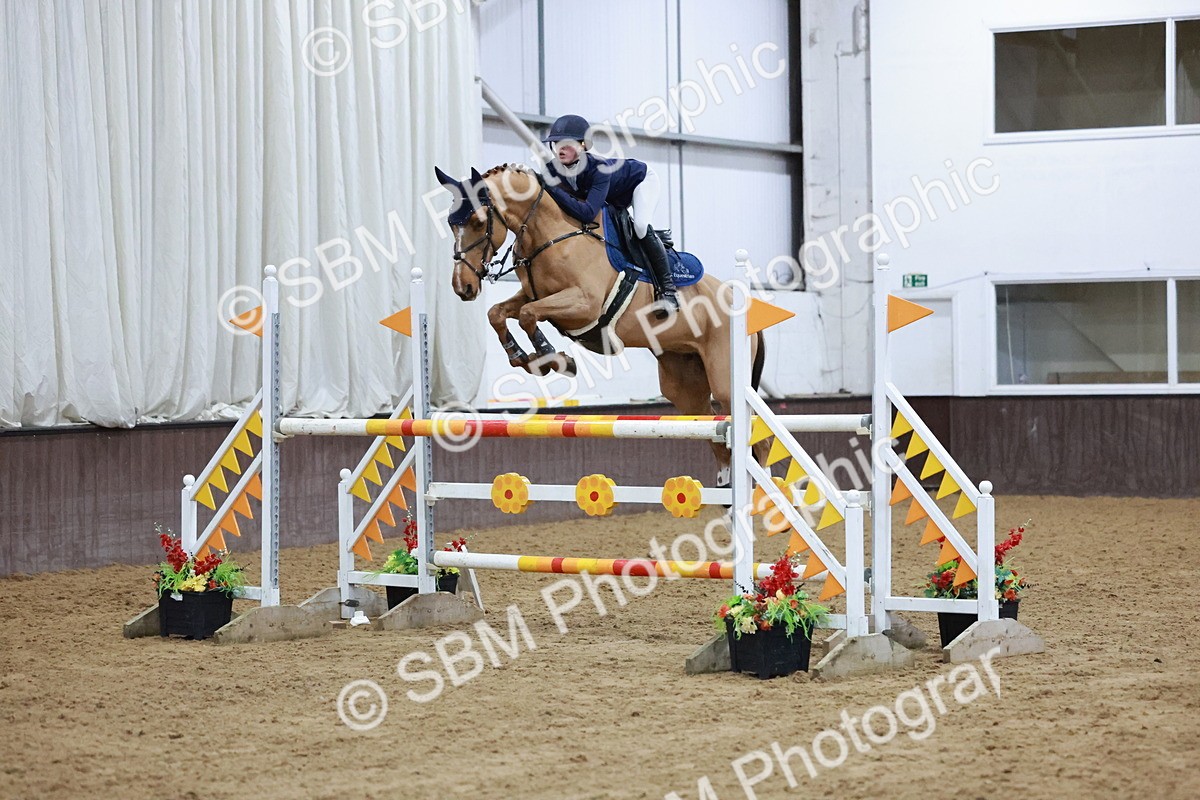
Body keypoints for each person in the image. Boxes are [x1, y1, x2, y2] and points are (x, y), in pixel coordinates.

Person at [538, 114, 679, 317]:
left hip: (640, 182)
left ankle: (668, 291)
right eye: (556, 143)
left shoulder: (598, 169)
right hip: (611, 196)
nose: (560, 149)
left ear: (583, 145)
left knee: (640, 226)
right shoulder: (552, 169)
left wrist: (552, 189)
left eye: (566, 144)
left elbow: (587, 213)